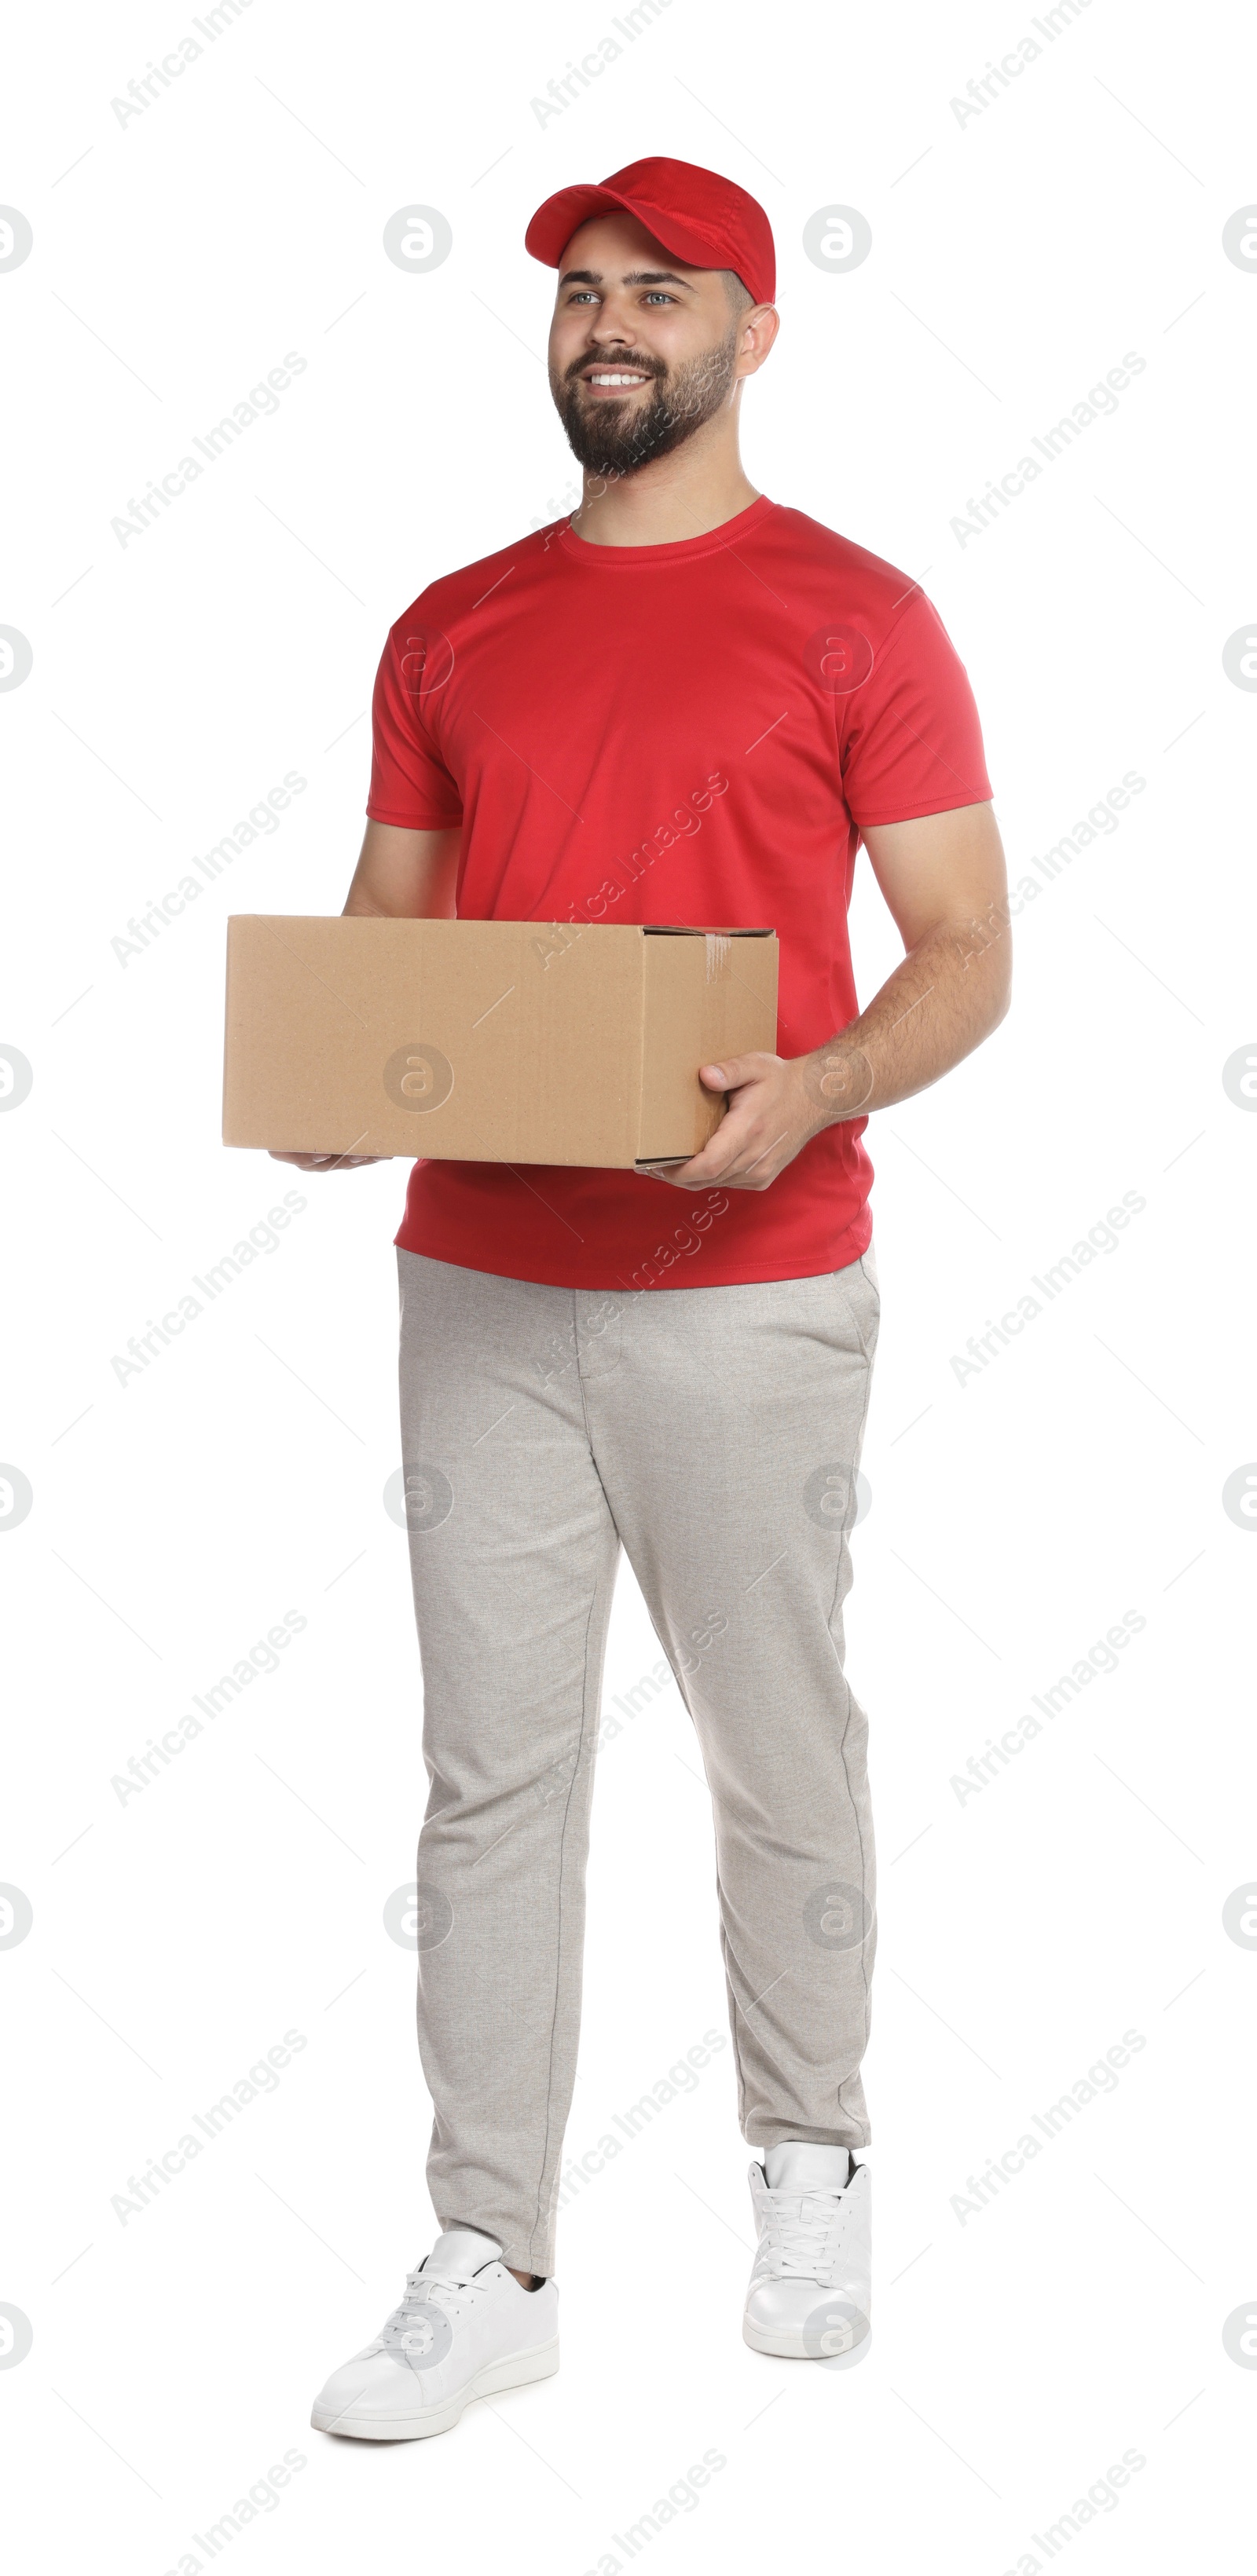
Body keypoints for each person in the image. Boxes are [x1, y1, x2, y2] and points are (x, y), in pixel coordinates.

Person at [277, 155, 1010, 2442]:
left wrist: (821, 1087)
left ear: (752, 336)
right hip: (480, 1282)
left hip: (754, 1283)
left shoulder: (858, 617)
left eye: (660, 293)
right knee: (488, 1784)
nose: (611, 325)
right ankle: (493, 2255)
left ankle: (813, 2159)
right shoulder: (452, 623)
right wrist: (330, 1077)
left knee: (774, 1747)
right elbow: (387, 939)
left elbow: (968, 956)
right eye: (583, 294)